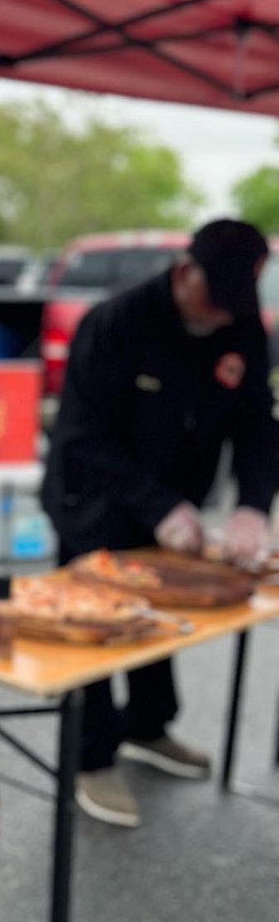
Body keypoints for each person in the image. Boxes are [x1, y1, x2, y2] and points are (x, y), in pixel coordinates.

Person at [42, 218, 279, 828]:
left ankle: (148, 726)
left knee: (157, 612)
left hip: (173, 497)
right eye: (215, 300)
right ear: (182, 274)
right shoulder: (115, 324)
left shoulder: (242, 328)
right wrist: (160, 506)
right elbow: (84, 439)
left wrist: (254, 505)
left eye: (236, 304)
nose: (224, 317)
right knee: (94, 625)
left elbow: (257, 425)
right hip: (90, 498)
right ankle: (91, 759)